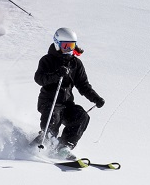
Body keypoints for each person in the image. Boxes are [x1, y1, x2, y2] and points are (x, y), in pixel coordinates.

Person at [34, 27, 105, 155]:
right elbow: (39, 79)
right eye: (65, 46)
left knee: (82, 116)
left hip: (67, 104)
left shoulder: (76, 64)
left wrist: (96, 98)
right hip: (49, 103)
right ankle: (44, 143)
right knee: (52, 120)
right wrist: (56, 74)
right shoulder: (47, 60)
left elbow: (83, 85)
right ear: (57, 44)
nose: (69, 50)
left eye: (72, 46)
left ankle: (64, 147)